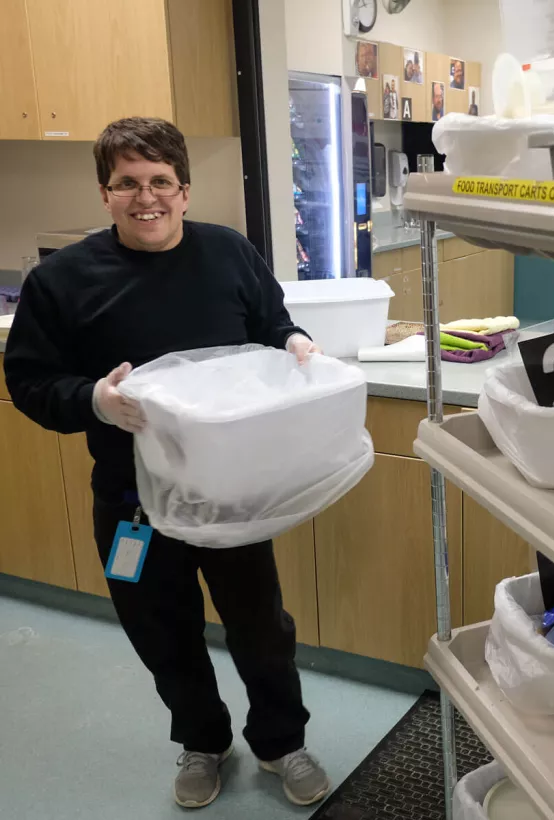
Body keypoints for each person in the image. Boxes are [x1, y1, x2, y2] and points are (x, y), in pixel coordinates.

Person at [3, 118, 330, 811]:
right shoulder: (62, 281)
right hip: (132, 500)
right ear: (105, 193)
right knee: (161, 629)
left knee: (261, 626)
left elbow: (271, 322)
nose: (144, 197)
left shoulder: (228, 253)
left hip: (230, 491)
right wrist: (95, 398)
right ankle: (203, 742)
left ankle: (280, 743)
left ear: (184, 190)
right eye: (127, 183)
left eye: (159, 182)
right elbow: (28, 382)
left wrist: (296, 341)